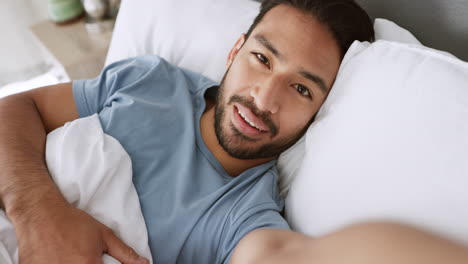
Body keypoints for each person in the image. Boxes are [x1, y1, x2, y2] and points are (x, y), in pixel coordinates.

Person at [0, 0, 467, 264]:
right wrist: (39, 211)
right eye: (262, 59)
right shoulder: (150, 80)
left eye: (301, 88)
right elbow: (18, 108)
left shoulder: (244, 217)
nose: (264, 99)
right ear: (234, 51)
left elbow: (317, 255)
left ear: (320, 112)